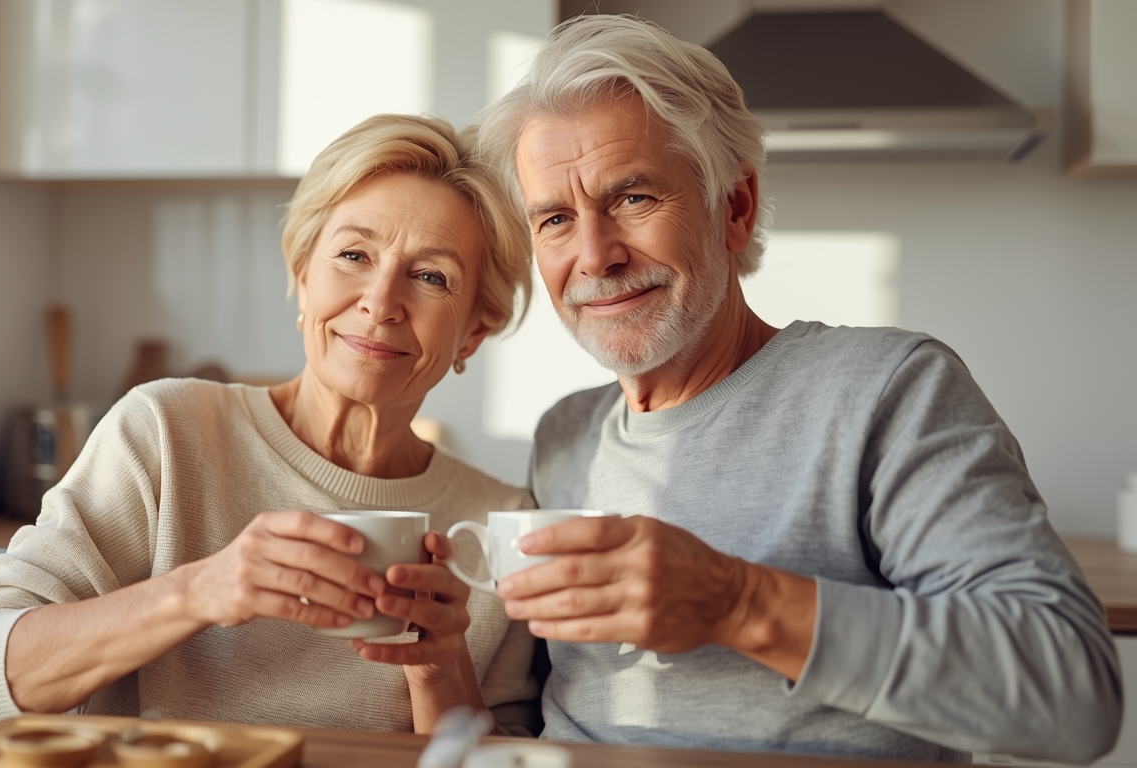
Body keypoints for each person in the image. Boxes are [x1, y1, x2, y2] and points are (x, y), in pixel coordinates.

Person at [475, 15, 1121, 763]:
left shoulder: (886, 392)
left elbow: (1072, 698)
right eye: (555, 218)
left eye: (633, 199)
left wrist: (739, 602)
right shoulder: (565, 436)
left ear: (735, 209)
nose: (595, 255)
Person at [0, 114, 542, 735]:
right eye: (353, 255)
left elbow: (503, 753)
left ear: (474, 329)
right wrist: (197, 590)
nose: (381, 303)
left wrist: (441, 670)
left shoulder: (498, 522)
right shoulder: (166, 433)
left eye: (431, 277)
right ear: (304, 280)